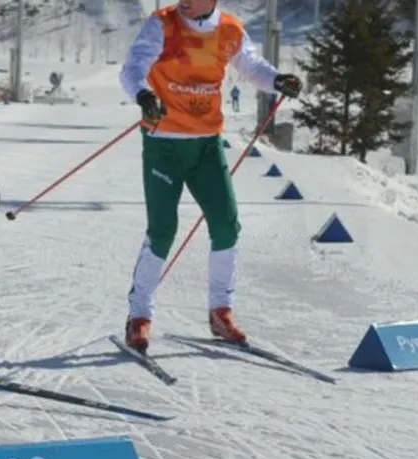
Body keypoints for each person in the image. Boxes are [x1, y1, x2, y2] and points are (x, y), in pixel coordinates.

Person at [118, 0, 301, 353]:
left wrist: (277, 79)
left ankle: (221, 311)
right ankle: (139, 316)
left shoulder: (229, 29)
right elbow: (133, 67)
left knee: (226, 224)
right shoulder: (163, 23)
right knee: (163, 230)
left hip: (206, 144)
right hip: (164, 144)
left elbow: (250, 65)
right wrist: (143, 94)